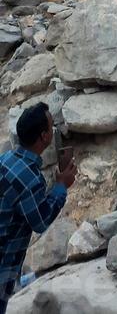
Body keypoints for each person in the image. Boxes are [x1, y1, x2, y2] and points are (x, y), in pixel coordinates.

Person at [0, 103, 76, 312]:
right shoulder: (31, 178)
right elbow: (40, 221)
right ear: (43, 136)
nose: (53, 130)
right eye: (51, 127)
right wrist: (61, 186)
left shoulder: (6, 158)